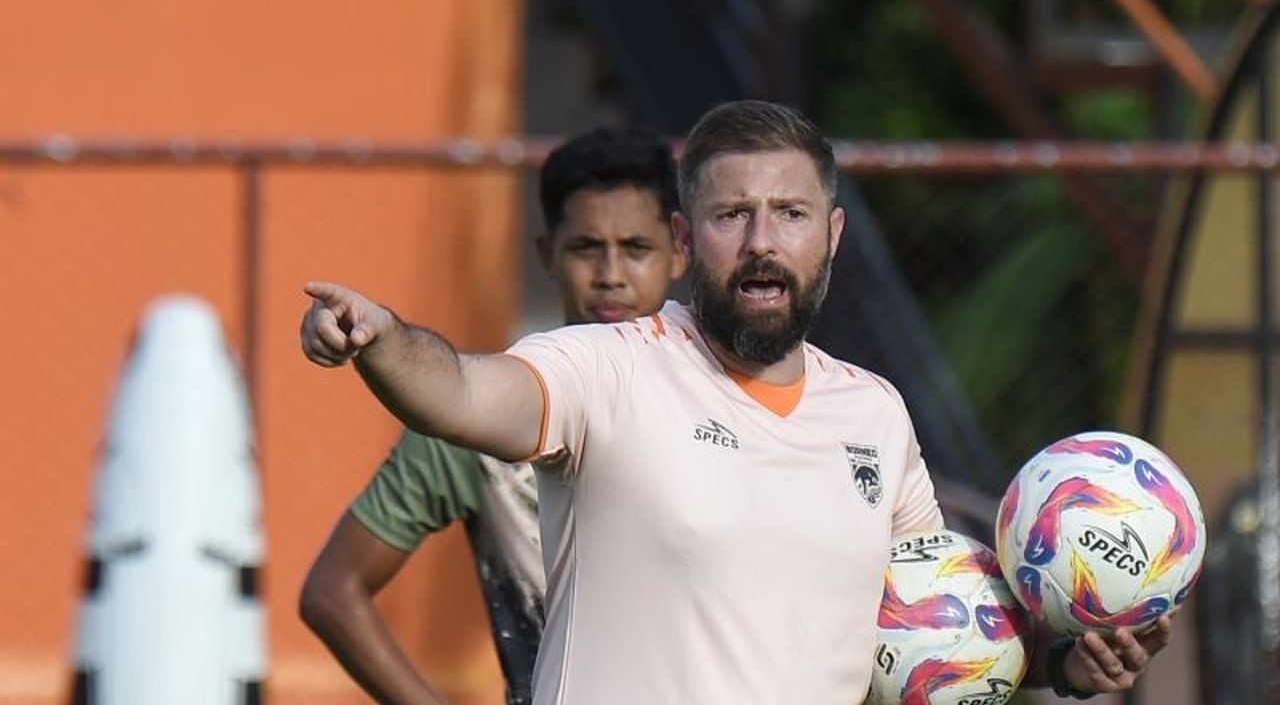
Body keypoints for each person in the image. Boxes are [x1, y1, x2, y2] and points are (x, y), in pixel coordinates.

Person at [299, 100, 1171, 704]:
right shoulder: (608, 368)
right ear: (685, 239)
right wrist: (381, 339)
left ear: (829, 237)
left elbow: (927, 632)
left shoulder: (873, 414)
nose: (762, 242)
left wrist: (1064, 663)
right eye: (731, 216)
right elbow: (459, 391)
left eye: (789, 213)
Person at [297, 127, 688, 705]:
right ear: (546, 254)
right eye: (586, 247)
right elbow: (333, 590)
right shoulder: (481, 419)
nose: (611, 272)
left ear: (680, 251)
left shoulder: (726, 399)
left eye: (636, 247)